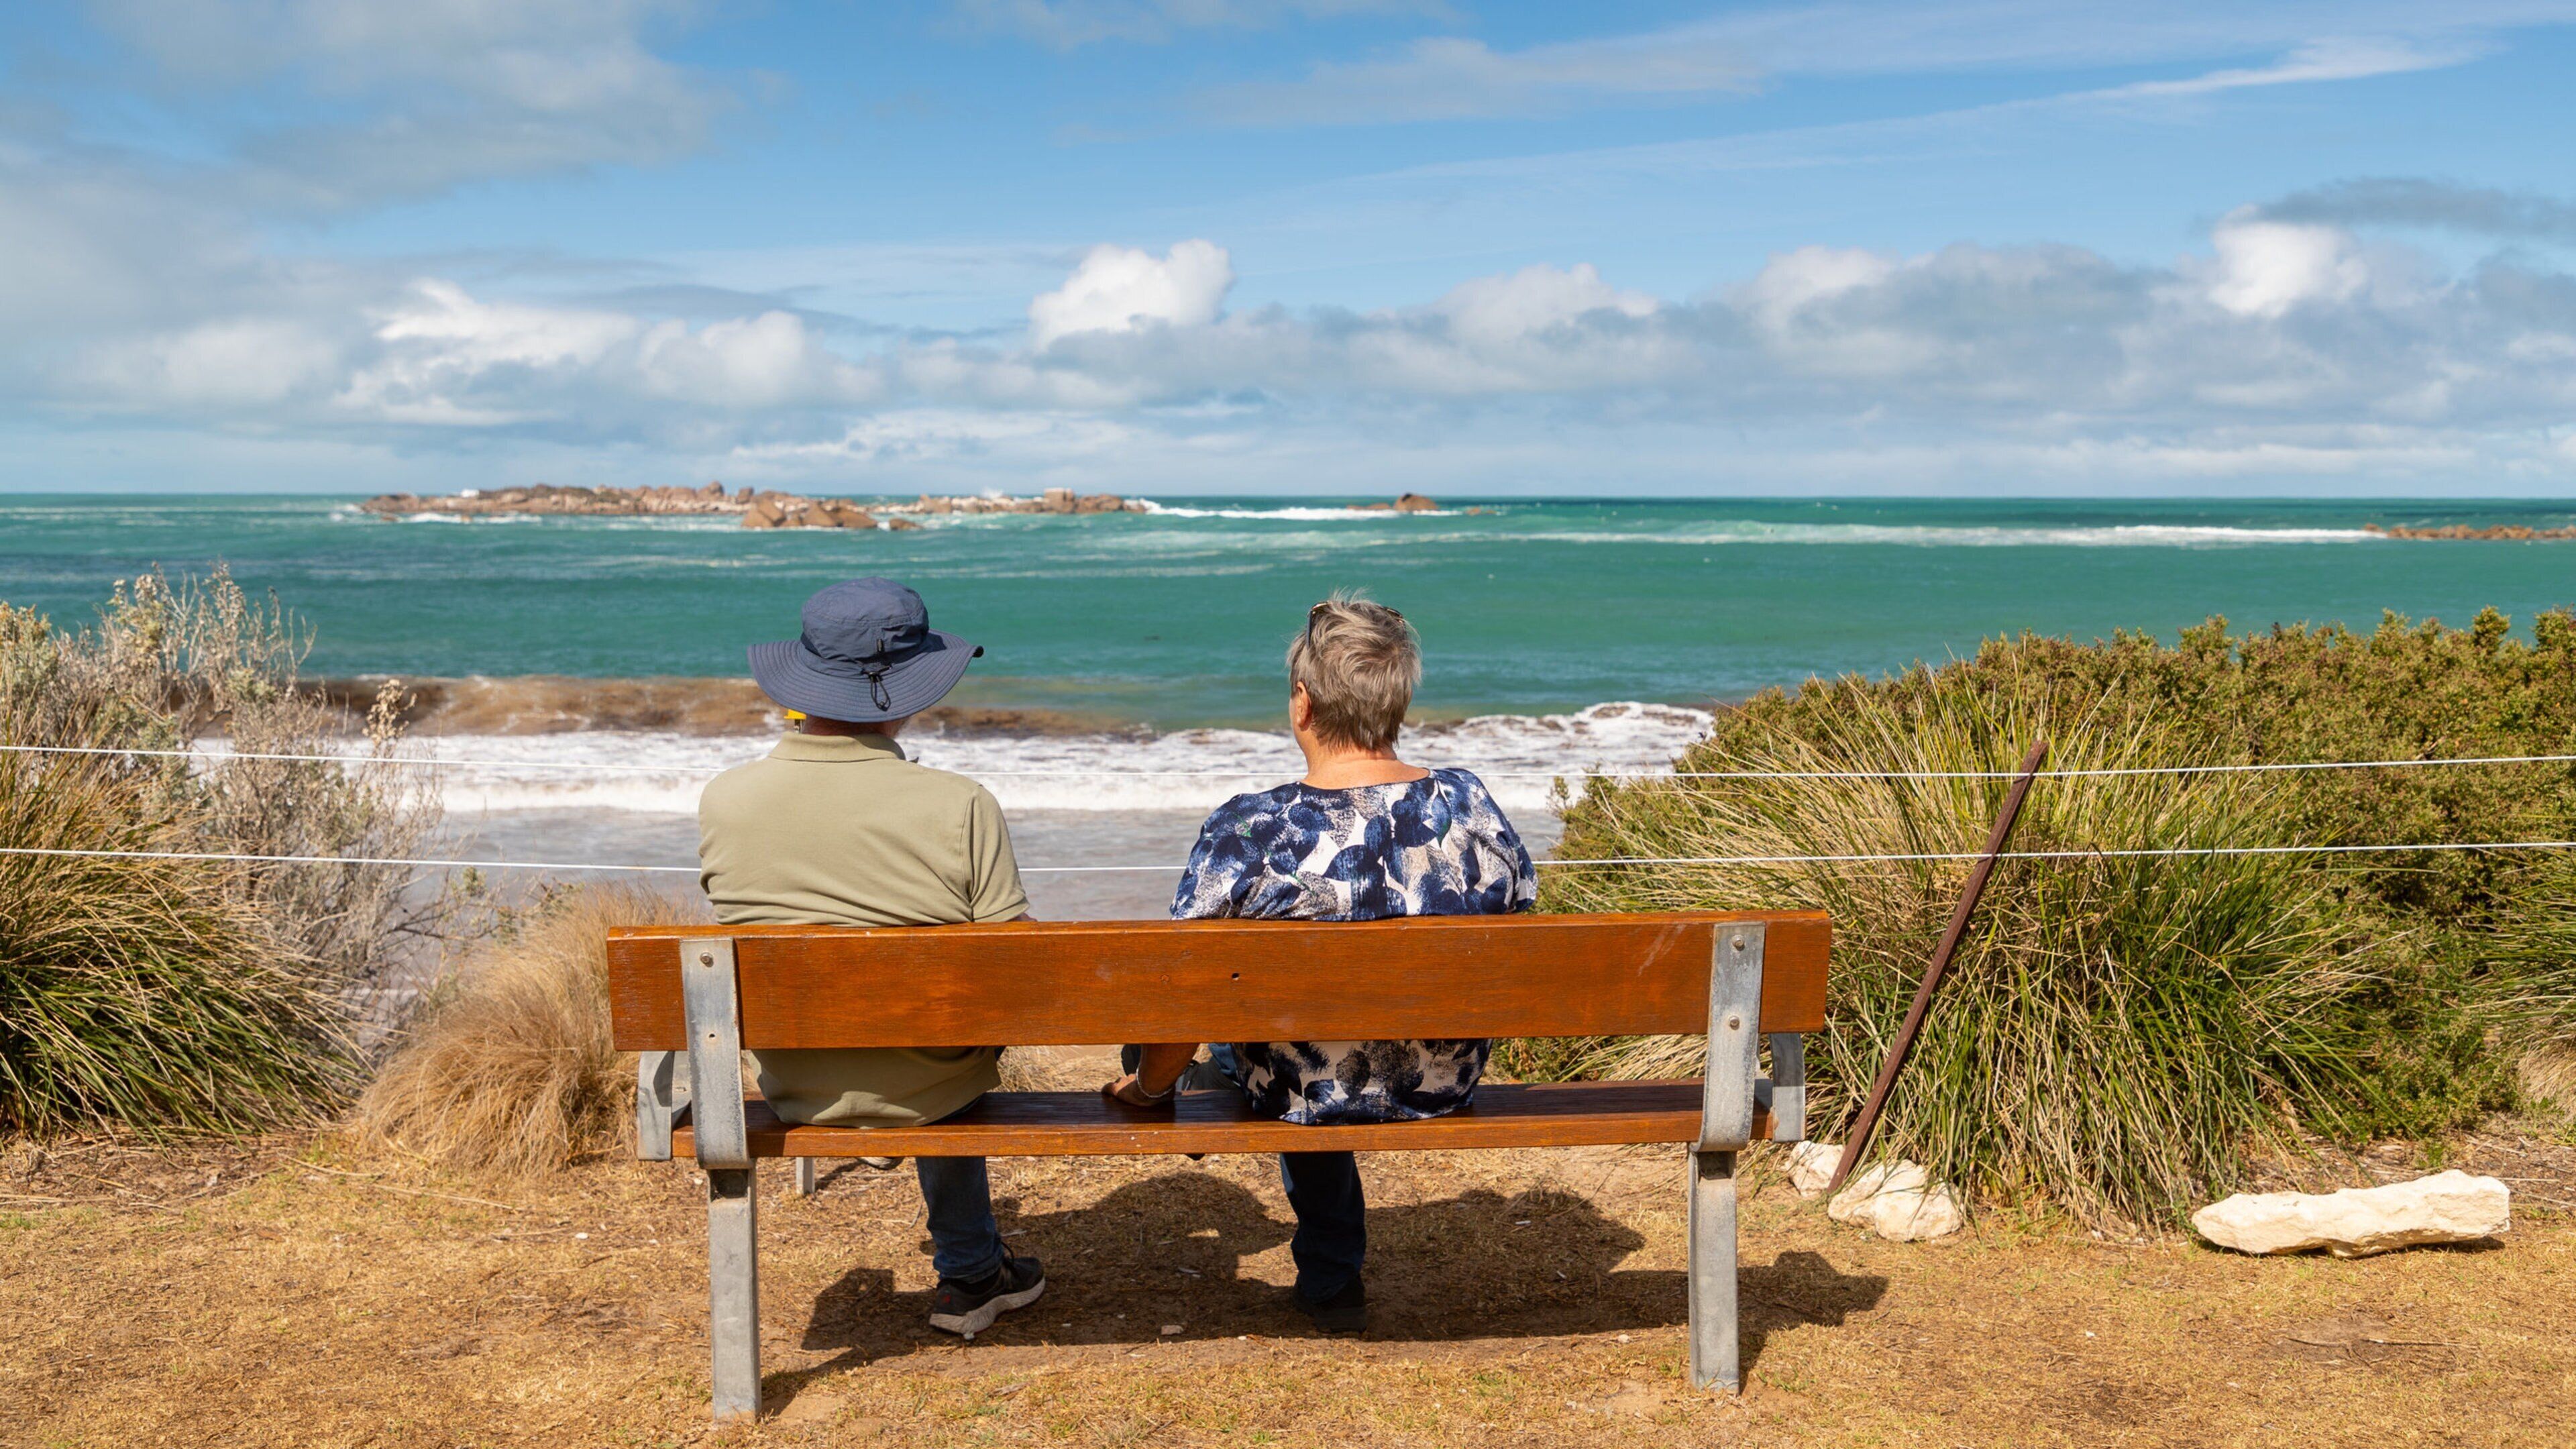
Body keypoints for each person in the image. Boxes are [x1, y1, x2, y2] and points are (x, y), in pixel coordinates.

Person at [1104, 593, 1537, 1334]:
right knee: (1318, 1037)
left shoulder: (1249, 826)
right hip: (1443, 1077)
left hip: (1304, 1088)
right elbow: (1520, 915)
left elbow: (1182, 988)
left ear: (1303, 704)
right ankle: (1326, 1268)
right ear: (1398, 700)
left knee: (1282, 1051)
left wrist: (1149, 1086)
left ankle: (1331, 1273)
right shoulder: (1468, 803)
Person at [696, 576, 1045, 1339]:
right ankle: (972, 1270)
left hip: (796, 1073)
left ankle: (973, 1264)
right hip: (933, 1075)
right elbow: (1018, 968)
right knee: (941, 1039)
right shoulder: (961, 804)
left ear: (806, 680)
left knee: (912, 1029)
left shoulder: (725, 798)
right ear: (909, 690)